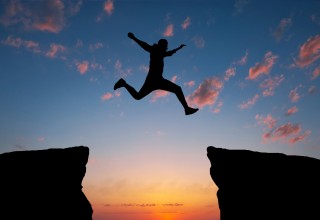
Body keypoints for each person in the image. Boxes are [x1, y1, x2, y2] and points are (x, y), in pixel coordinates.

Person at [114, 32, 199, 115]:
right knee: (138, 96)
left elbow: (170, 53)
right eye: (166, 45)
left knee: (138, 96)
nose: (167, 47)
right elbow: (144, 45)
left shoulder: (162, 53)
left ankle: (124, 83)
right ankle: (124, 83)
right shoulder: (154, 50)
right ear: (162, 45)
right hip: (153, 80)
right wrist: (134, 38)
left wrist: (179, 48)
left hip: (158, 80)